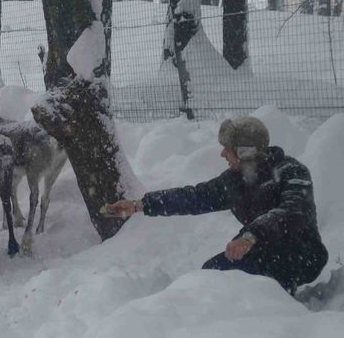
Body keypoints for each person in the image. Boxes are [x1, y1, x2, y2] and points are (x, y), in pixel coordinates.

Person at [105, 116, 328, 294]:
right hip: (262, 249)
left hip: (302, 254)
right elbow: (194, 197)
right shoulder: (234, 180)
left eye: (227, 148)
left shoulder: (290, 172)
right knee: (212, 275)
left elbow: (292, 212)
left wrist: (250, 236)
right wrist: (139, 205)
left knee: (246, 282)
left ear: (245, 151)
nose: (222, 154)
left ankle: (276, 313)